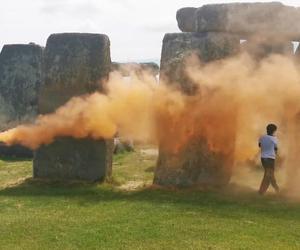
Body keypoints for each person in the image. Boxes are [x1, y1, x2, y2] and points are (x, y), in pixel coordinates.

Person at [258, 124, 280, 195]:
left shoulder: (262, 137)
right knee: (268, 175)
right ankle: (262, 192)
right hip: (270, 158)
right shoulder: (274, 139)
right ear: (274, 130)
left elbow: (259, 145)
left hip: (263, 158)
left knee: (270, 175)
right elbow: (276, 149)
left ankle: (276, 189)